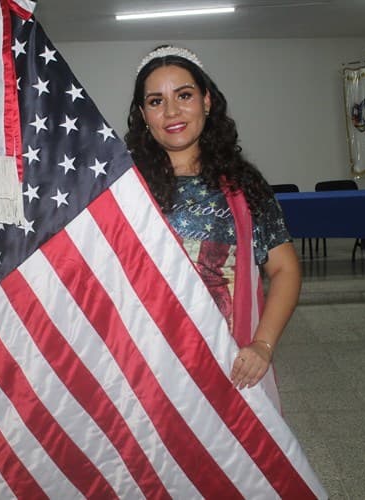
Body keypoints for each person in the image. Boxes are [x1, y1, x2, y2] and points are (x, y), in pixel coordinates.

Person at [125, 45, 301, 396]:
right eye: (156, 101)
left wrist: (262, 346)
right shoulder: (125, 188)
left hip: (227, 363)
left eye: (184, 95)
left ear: (206, 101)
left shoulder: (245, 185)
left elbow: (284, 270)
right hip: (146, 365)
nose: (172, 111)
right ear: (144, 115)